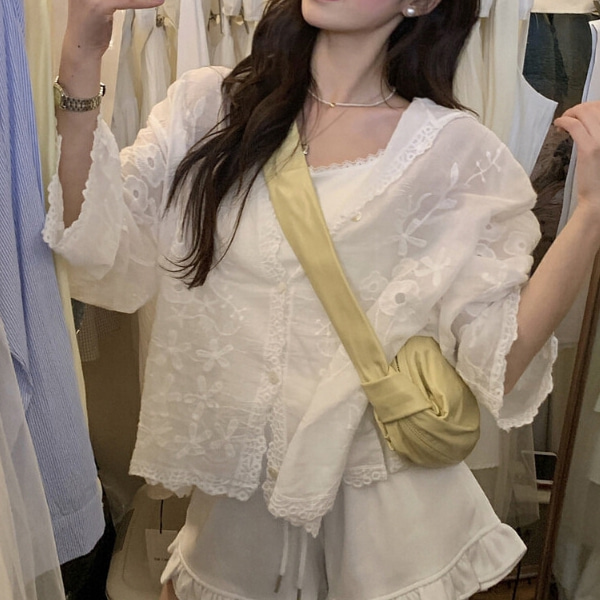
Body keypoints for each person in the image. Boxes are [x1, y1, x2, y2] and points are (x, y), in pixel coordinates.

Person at [45, 0, 600, 598]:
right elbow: (98, 242)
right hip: (237, 519)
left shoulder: (455, 153)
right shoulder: (209, 109)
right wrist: (82, 54)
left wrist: (591, 214)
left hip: (385, 519)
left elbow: (499, 357)